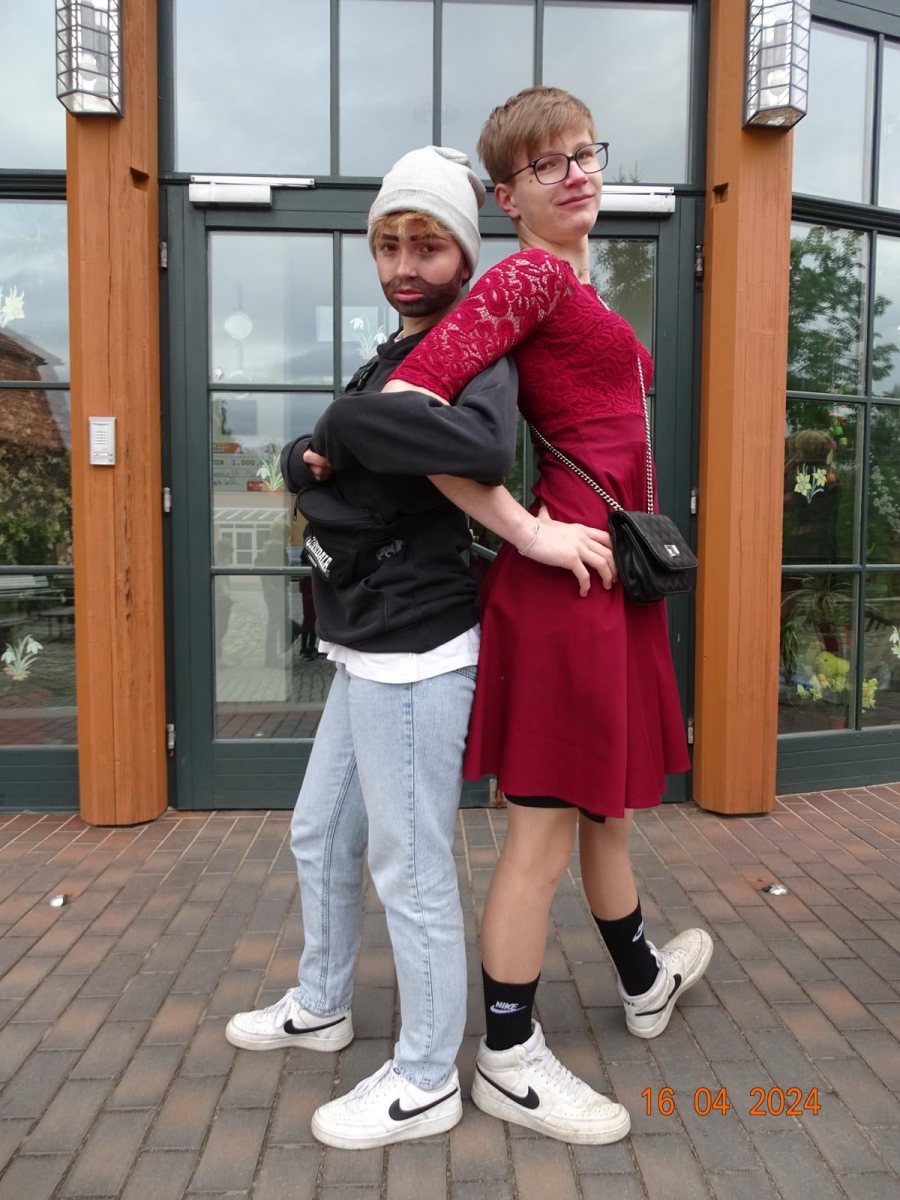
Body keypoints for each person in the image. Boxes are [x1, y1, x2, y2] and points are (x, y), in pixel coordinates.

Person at [224, 144, 614, 1150]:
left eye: (428, 245)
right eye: (389, 245)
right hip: (363, 643)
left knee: (410, 864)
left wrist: (344, 432)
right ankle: (323, 1003)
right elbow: (318, 454)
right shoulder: (389, 354)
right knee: (321, 833)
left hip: (418, 647)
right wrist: (313, 450)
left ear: (464, 252)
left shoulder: (472, 349)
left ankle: (428, 1075)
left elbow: (477, 452)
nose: (405, 264)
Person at [382, 88, 713, 1145]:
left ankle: (643, 981)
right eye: (545, 164)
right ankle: (508, 1056)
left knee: (607, 809)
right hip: (566, 590)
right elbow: (407, 411)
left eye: (583, 153)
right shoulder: (526, 277)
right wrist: (527, 531)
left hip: (609, 586)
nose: (576, 174)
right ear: (507, 197)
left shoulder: (573, 281)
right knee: (541, 835)